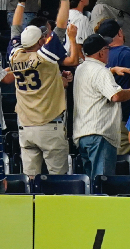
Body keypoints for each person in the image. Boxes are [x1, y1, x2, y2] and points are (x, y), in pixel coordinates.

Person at [9, 21, 80, 176]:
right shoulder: (44, 58)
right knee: (57, 181)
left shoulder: (14, 57)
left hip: (26, 126)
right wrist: (72, 38)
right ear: (40, 41)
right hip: (49, 125)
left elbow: (15, 26)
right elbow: (72, 57)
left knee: (30, 180)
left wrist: (21, 2)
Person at [74, 33, 130, 179]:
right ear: (101, 52)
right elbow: (116, 96)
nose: (108, 51)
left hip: (83, 133)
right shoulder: (101, 71)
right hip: (99, 134)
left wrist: (112, 70)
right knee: (102, 183)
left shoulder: (80, 68)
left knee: (91, 184)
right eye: (107, 48)